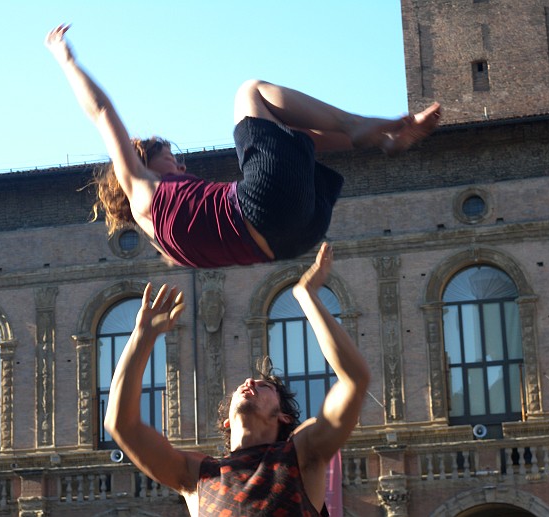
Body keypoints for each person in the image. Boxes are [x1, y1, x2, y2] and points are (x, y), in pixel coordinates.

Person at [46, 24, 441, 268]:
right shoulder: (140, 186)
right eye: (171, 156)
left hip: (296, 237)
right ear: (144, 161)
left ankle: (379, 137)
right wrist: (66, 62)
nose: (182, 166)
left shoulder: (163, 243)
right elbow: (101, 111)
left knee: (288, 134)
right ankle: (361, 127)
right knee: (249, 92)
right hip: (264, 209)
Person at [105, 242, 370, 516]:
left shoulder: (300, 457)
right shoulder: (199, 477)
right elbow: (121, 425)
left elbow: (354, 380)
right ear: (227, 421)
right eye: (247, 385)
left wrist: (307, 296)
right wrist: (141, 336)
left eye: (265, 386)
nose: (249, 382)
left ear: (284, 418)